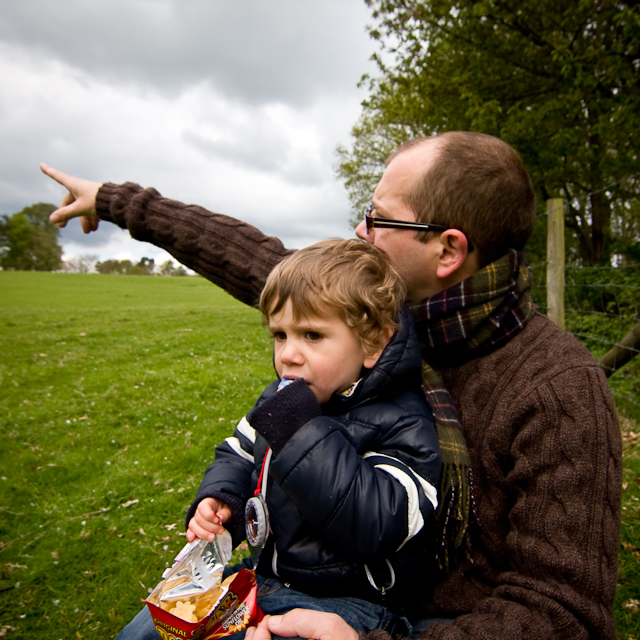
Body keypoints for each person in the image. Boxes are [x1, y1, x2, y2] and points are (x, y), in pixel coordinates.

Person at [41, 130, 622, 640]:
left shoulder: (556, 387)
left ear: (448, 250)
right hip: (297, 581)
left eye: (378, 218)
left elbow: (561, 613)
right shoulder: (361, 313)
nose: (359, 230)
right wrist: (117, 203)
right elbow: (249, 256)